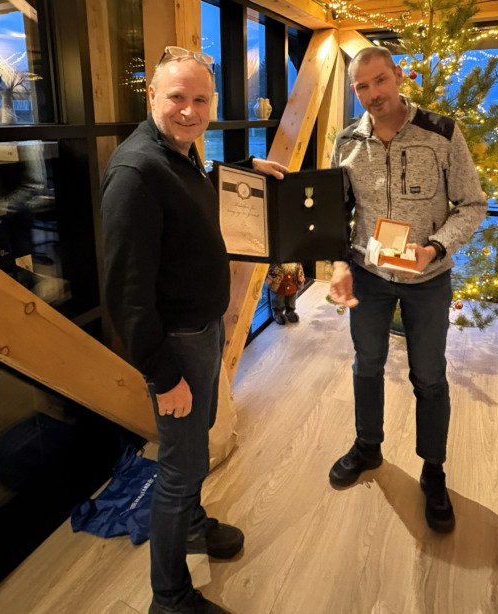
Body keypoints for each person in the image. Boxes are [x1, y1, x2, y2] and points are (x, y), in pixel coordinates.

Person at [101, 46, 287, 614]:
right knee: (179, 470)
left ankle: (192, 525)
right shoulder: (137, 171)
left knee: (197, 444)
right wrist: (164, 378)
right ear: (151, 96)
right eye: (177, 97)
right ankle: (170, 597)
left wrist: (244, 170)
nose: (189, 110)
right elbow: (126, 296)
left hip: (202, 331)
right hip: (176, 346)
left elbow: (194, 188)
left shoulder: (179, 153)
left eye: (200, 99)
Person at [328, 46, 487, 533]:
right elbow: (335, 213)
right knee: (366, 364)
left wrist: (434, 248)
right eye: (362, 86)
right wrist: (339, 263)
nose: (373, 93)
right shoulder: (347, 142)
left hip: (428, 280)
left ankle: (433, 470)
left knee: (430, 376)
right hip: (370, 277)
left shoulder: (441, 133)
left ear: (398, 76)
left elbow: (472, 205)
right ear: (354, 91)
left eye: (380, 80)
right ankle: (368, 447)